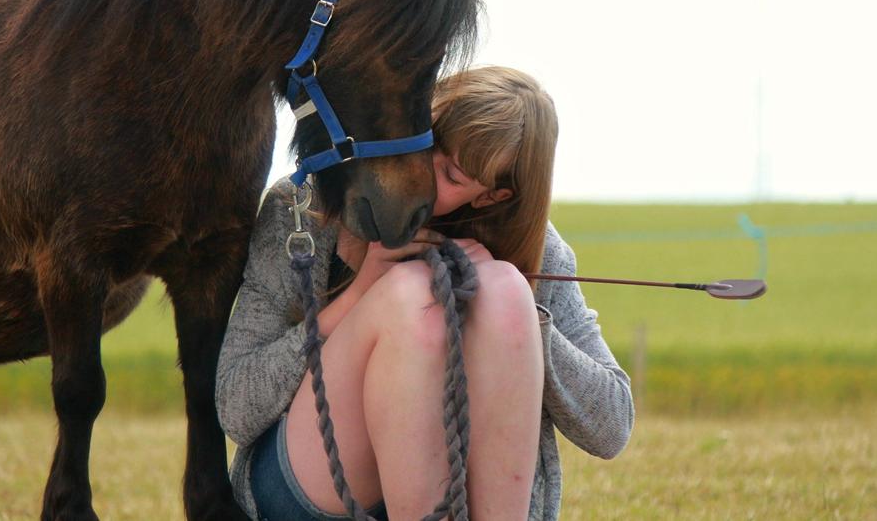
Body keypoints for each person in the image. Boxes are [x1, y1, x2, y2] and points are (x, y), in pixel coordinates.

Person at [216, 66, 634, 521]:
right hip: (305, 492)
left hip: (469, 495)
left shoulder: (539, 251)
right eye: (428, 143)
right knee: (412, 299)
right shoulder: (303, 209)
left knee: (505, 291)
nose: (422, 173)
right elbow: (236, 408)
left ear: (492, 197)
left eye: (452, 175)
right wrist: (358, 296)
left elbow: (611, 427)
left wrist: (522, 322)